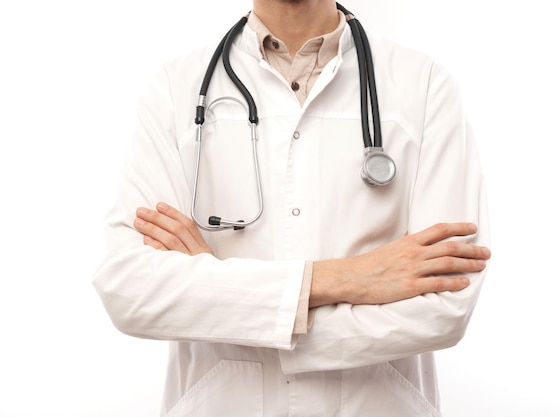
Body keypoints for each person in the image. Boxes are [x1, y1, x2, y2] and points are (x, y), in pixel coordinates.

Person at [93, 1, 491, 416]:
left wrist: (221, 297)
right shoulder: (174, 89)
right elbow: (130, 289)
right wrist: (349, 278)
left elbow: (444, 307)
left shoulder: (424, 85)